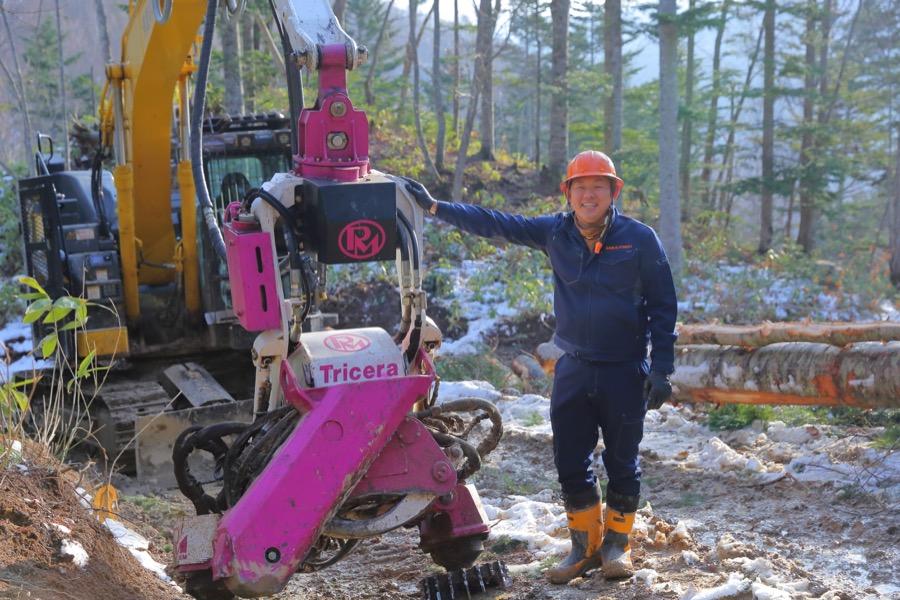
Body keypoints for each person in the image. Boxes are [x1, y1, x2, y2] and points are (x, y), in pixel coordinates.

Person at [403, 150, 677, 583]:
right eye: (580, 187)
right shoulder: (555, 231)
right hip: (573, 367)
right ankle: (583, 548)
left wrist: (662, 368)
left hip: (625, 369)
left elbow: (664, 306)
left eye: (598, 187)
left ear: (613, 191)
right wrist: (437, 207)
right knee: (570, 460)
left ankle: (617, 547)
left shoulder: (640, 239)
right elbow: (497, 222)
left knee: (623, 461)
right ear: (567, 192)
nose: (589, 196)